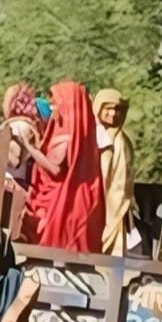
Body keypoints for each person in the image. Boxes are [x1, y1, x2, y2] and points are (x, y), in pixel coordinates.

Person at [20, 81, 106, 253]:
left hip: (65, 205)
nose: (53, 107)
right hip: (74, 201)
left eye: (56, 102)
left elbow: (55, 169)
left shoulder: (68, 135)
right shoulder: (75, 133)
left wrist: (30, 148)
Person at [93, 89, 136, 255]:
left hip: (115, 205)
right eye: (108, 108)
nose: (113, 114)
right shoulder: (99, 135)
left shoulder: (119, 140)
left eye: (118, 109)